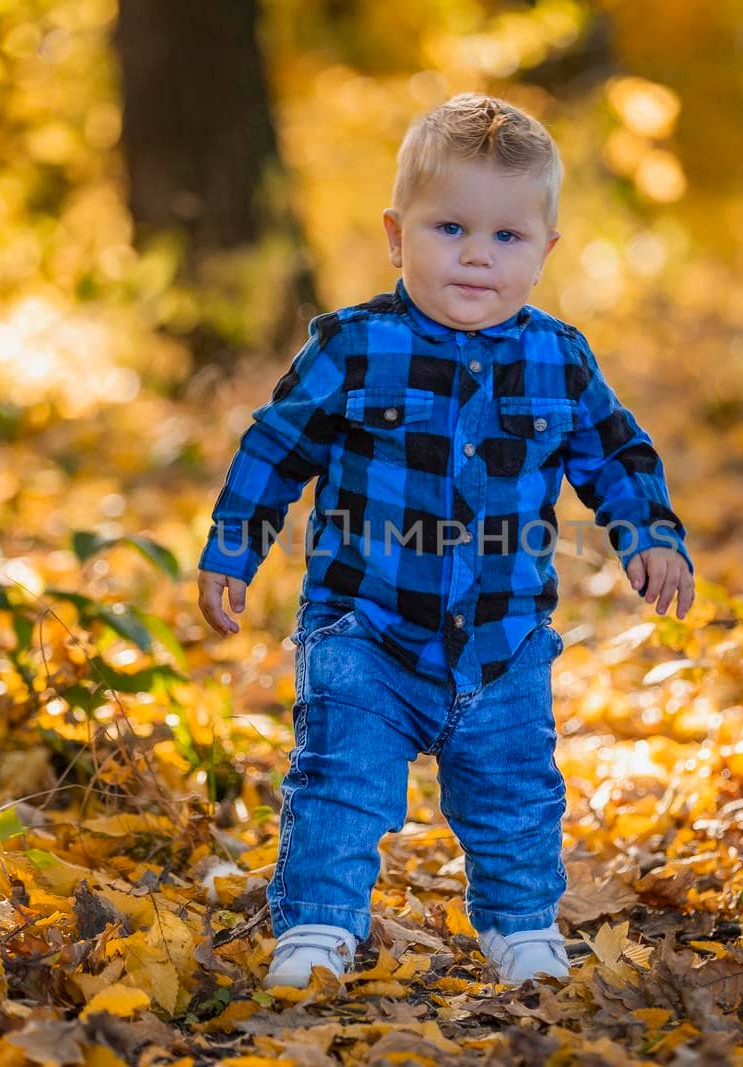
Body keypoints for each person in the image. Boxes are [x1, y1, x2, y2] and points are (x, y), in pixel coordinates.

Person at [195, 93, 695, 989]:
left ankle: (521, 928)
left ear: (543, 252)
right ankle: (315, 928)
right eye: (450, 226)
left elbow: (615, 453)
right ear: (397, 235)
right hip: (364, 627)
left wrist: (650, 537)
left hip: (501, 640)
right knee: (340, 785)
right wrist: (234, 546)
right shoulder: (353, 347)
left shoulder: (560, 358)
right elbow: (275, 446)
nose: (476, 253)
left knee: (514, 794)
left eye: (506, 237)